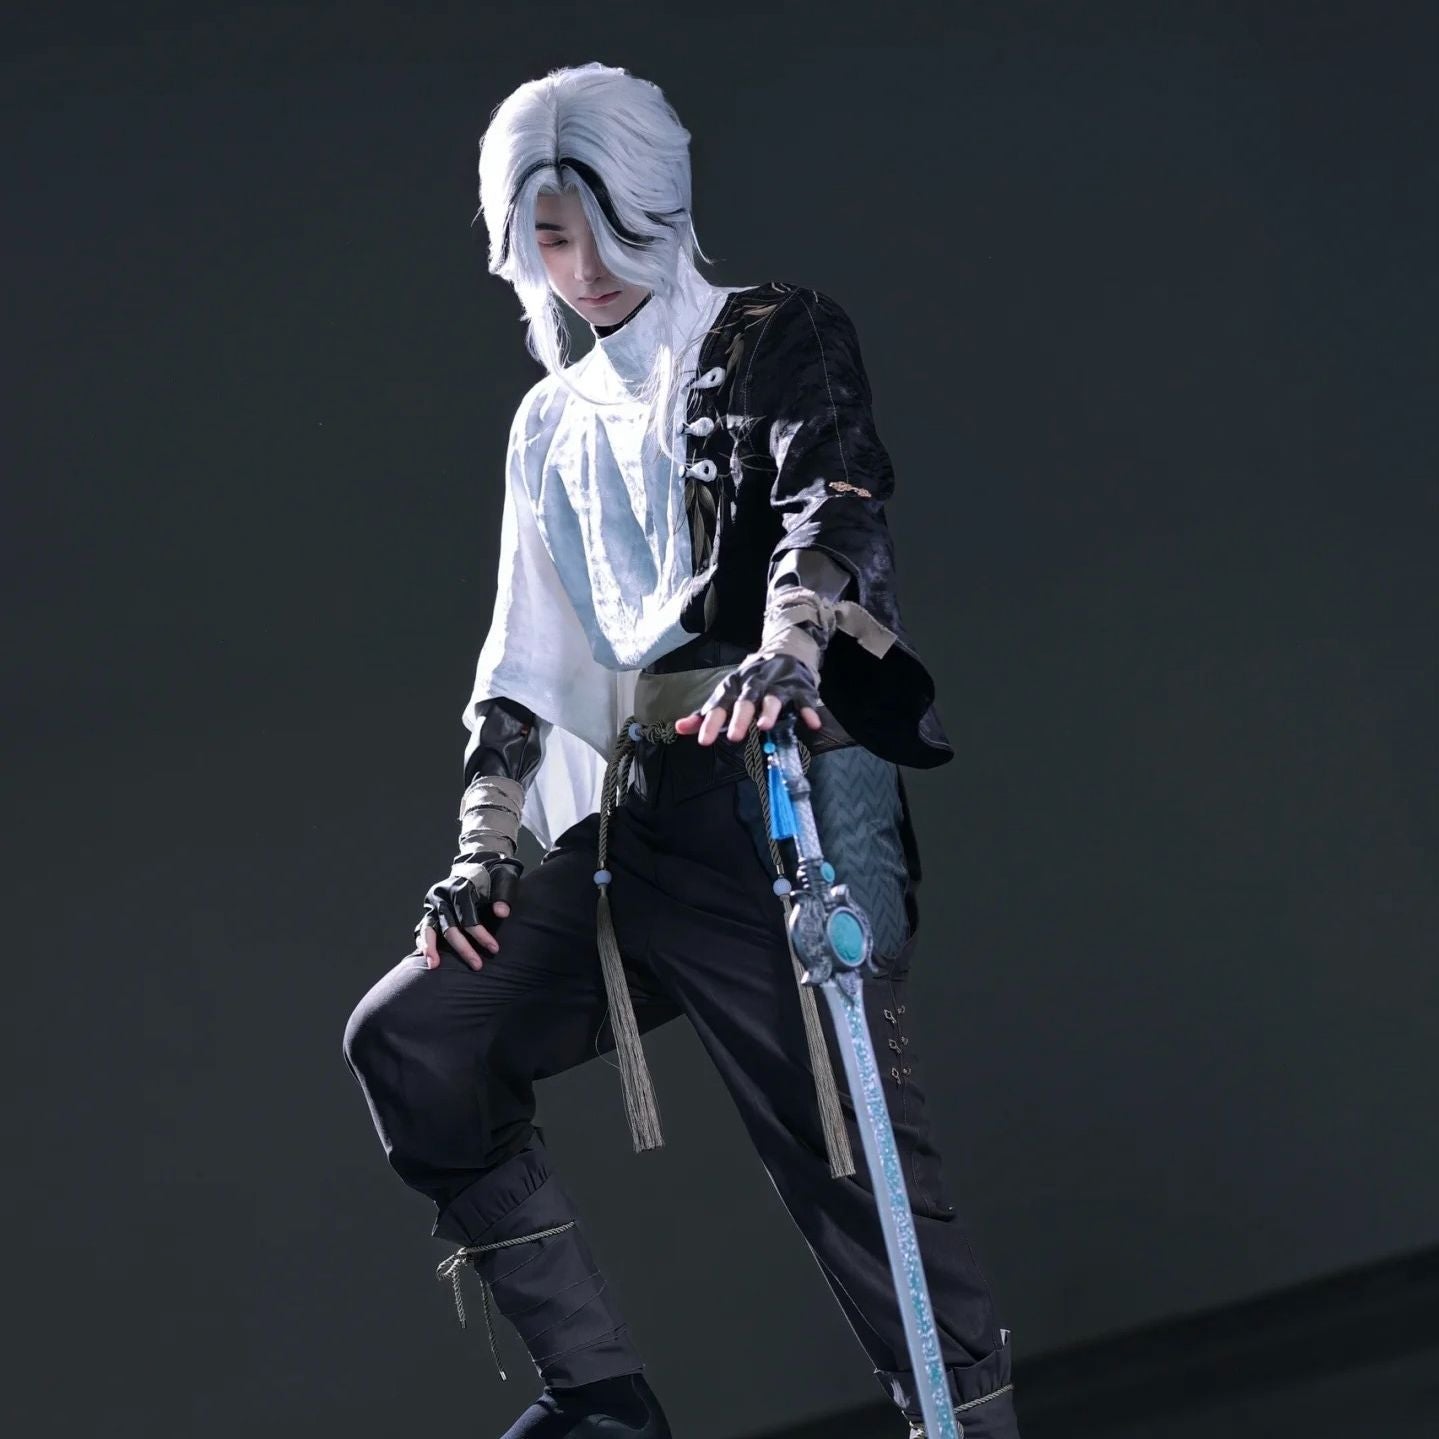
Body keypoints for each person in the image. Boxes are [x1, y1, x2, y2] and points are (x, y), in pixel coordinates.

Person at [341, 61, 1022, 1439]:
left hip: (783, 805)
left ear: (662, 203)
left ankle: (963, 1426)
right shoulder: (548, 421)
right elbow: (525, 651)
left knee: (860, 1177)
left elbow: (830, 495)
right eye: (550, 237)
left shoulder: (778, 332)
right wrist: (483, 845)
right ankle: (602, 1404)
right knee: (414, 1040)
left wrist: (792, 643)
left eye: (605, 227)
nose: (584, 267)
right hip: (639, 826)